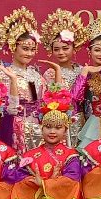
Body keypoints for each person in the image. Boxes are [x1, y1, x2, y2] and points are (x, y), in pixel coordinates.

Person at [10, 87, 81, 199]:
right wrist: (39, 183)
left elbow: (73, 178)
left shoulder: (70, 155)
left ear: (66, 129)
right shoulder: (30, 155)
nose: (52, 131)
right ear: (41, 127)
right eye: (48, 127)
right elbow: (19, 176)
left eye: (58, 127)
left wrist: (47, 183)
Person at [1, 7, 60, 153]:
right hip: (15, 129)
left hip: (37, 129)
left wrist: (58, 71)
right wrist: (13, 81)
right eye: (25, 48)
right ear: (13, 47)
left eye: (32, 49)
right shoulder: (5, 74)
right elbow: (8, 109)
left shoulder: (35, 75)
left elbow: (46, 102)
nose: (29, 53)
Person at [71, 16, 101, 148]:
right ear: (89, 51)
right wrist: (85, 71)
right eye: (97, 50)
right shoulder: (84, 72)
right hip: (90, 122)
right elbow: (75, 98)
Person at [41, 9, 86, 147]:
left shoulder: (80, 69)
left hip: (81, 119)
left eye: (65, 48)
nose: (61, 52)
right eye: (56, 49)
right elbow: (56, 99)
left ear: (74, 48)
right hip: (60, 123)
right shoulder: (50, 74)